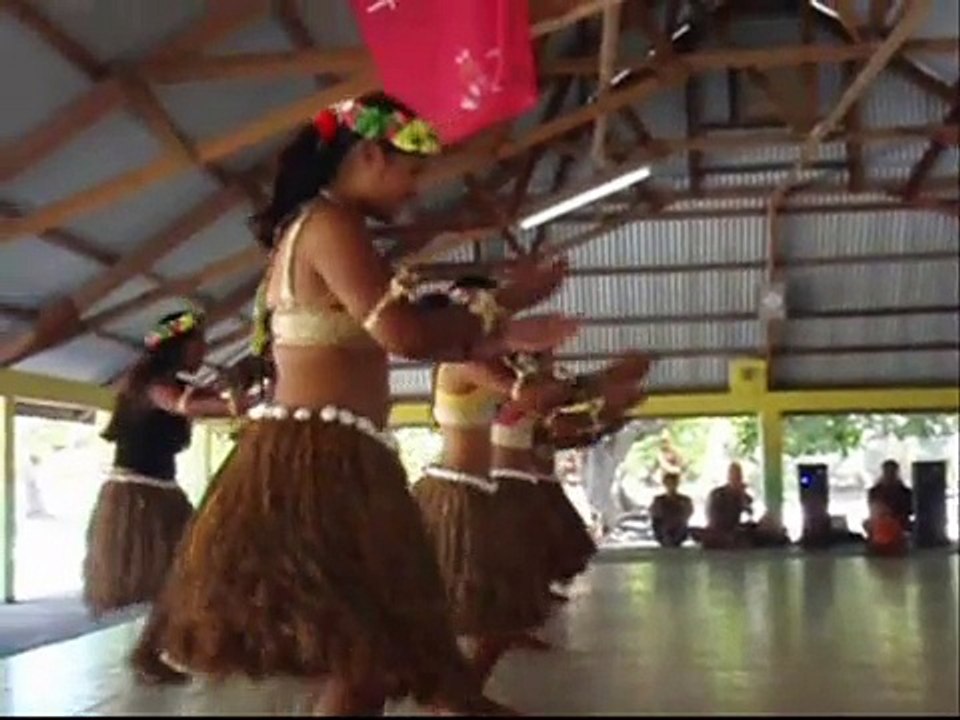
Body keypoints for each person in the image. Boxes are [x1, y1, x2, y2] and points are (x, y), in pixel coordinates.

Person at [136, 94, 577, 716]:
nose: (416, 190)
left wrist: (502, 335)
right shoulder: (330, 225)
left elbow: (394, 337)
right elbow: (405, 335)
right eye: (411, 170)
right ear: (369, 154)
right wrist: (504, 299)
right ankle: (457, 703)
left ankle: (455, 701)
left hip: (336, 455)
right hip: (322, 462)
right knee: (368, 643)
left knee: (371, 644)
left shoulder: (323, 227)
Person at [83, 309, 244, 625]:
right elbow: (183, 405)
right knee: (153, 574)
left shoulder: (179, 385)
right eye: (199, 344)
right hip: (136, 496)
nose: (205, 350)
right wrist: (237, 405)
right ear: (178, 347)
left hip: (164, 492)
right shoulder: (150, 385)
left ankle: (166, 634)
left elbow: (206, 401)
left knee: (186, 569)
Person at [699, 461, 754, 549]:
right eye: (734, 475)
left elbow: (750, 514)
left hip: (734, 530)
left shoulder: (742, 495)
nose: (736, 478)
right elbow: (713, 517)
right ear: (728, 476)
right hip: (719, 529)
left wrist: (742, 495)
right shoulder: (717, 494)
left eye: (739, 476)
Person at [867, 460, 913, 534]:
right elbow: (873, 511)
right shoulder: (874, 492)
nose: (890, 475)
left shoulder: (905, 492)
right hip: (881, 523)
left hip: (900, 523)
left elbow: (911, 510)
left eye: (892, 472)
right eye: (887, 472)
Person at [649, 472, 694, 548]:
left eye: (673, 483)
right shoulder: (658, 500)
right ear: (664, 484)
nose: (671, 485)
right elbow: (655, 516)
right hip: (662, 530)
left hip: (679, 528)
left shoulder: (684, 500)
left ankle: (674, 539)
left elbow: (687, 514)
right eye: (668, 483)